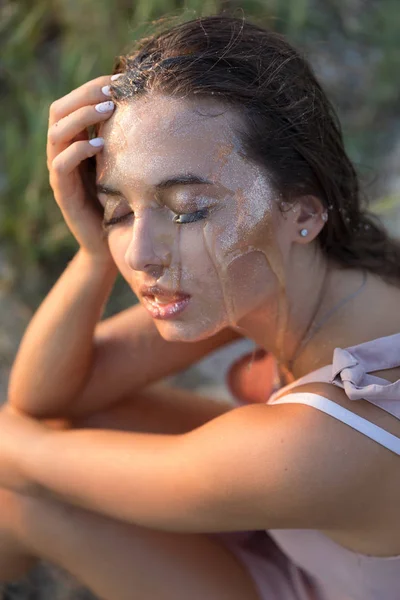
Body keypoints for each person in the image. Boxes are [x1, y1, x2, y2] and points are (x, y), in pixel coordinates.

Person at [0, 13, 399, 600]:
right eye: (118, 211)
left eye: (188, 210)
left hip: (316, 576)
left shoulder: (321, 439)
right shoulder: (308, 272)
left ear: (304, 212)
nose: (139, 255)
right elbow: (49, 399)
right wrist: (91, 256)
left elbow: (22, 451)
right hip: (299, 523)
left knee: (14, 501)